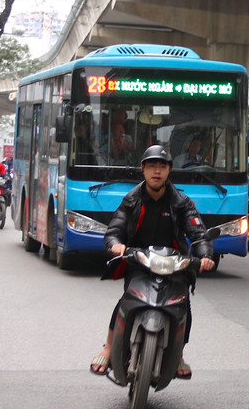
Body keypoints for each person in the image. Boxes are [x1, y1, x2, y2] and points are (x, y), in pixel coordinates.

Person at [91, 145, 216, 380]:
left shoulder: (182, 202)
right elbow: (114, 229)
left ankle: (178, 353)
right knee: (126, 300)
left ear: (169, 170)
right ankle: (108, 348)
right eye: (151, 166)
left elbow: (198, 233)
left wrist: (205, 255)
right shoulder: (132, 199)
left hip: (175, 263)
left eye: (162, 166)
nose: (156, 171)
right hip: (139, 260)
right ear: (143, 169)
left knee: (183, 306)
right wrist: (116, 244)